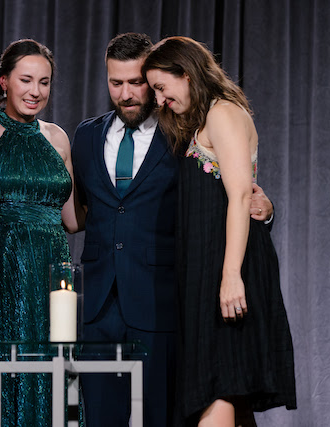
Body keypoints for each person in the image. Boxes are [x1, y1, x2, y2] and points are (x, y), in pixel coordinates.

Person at [71, 33, 275, 427]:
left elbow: (223, 194)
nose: (127, 93)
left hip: (163, 301)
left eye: (138, 83)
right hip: (98, 306)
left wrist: (264, 209)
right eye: (116, 83)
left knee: (163, 415)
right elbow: (82, 211)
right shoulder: (85, 135)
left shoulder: (184, 130)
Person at [143, 36, 296, 427]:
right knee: (231, 391)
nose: (158, 100)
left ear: (188, 73)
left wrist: (230, 277)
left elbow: (241, 195)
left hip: (229, 271)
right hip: (210, 271)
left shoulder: (223, 113)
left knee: (219, 384)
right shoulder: (203, 120)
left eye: (162, 87)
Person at [0, 39, 83, 426]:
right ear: (3, 81)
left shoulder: (58, 138)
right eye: (26, 80)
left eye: (44, 82)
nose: (36, 91)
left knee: (53, 370)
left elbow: (72, 219)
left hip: (53, 277)